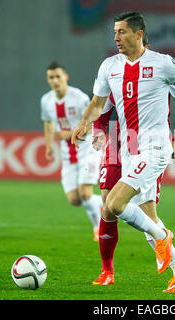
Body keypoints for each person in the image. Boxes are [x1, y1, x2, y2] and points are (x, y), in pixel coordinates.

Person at [71, 12, 175, 292]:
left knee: (114, 206)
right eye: (114, 32)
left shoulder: (163, 64)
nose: (116, 37)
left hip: (155, 148)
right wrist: (84, 124)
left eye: (121, 32)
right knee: (146, 215)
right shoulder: (109, 66)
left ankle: (162, 236)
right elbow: (98, 103)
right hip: (130, 149)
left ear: (138, 33)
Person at [90, 36, 175, 292]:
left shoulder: (159, 72)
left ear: (145, 47)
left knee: (144, 213)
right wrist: (98, 130)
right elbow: (102, 108)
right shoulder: (115, 70)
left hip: (149, 147)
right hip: (118, 145)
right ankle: (107, 270)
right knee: (109, 206)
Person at [41, 61, 103, 242]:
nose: (55, 80)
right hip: (68, 155)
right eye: (51, 78)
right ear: (48, 80)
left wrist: (68, 134)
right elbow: (48, 123)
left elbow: (94, 123)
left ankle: (98, 228)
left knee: (85, 193)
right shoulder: (46, 100)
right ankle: (106, 202)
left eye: (58, 76)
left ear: (65, 77)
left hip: (88, 148)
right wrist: (48, 146)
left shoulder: (79, 98)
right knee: (74, 199)